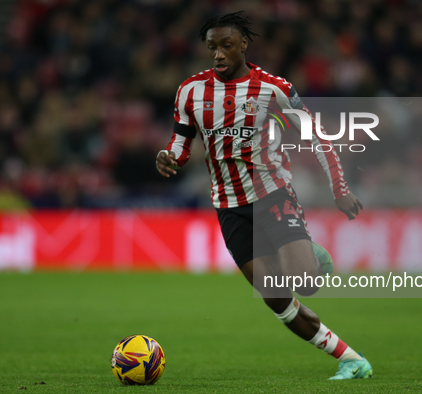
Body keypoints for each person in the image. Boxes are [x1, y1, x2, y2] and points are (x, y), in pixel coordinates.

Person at [156, 12, 372, 380]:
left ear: (243, 45)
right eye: (212, 47)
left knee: (305, 282)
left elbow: (316, 136)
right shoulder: (189, 91)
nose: (218, 54)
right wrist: (168, 157)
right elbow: (181, 142)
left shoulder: (273, 88)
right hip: (228, 206)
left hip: (272, 194)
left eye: (226, 45)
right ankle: (351, 359)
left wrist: (340, 190)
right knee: (275, 298)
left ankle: (309, 251)